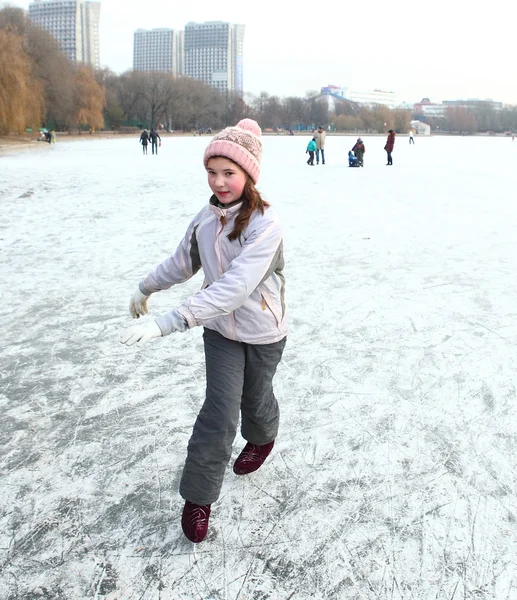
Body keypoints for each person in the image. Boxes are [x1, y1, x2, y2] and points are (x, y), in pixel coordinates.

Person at [120, 119, 288, 544]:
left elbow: (234, 288)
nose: (219, 181)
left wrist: (167, 323)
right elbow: (182, 263)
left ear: (248, 175)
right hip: (219, 333)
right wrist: (146, 287)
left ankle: (263, 436)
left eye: (228, 172)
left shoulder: (266, 225)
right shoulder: (205, 219)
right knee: (218, 413)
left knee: (256, 399)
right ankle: (198, 498)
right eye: (212, 172)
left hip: (264, 331)